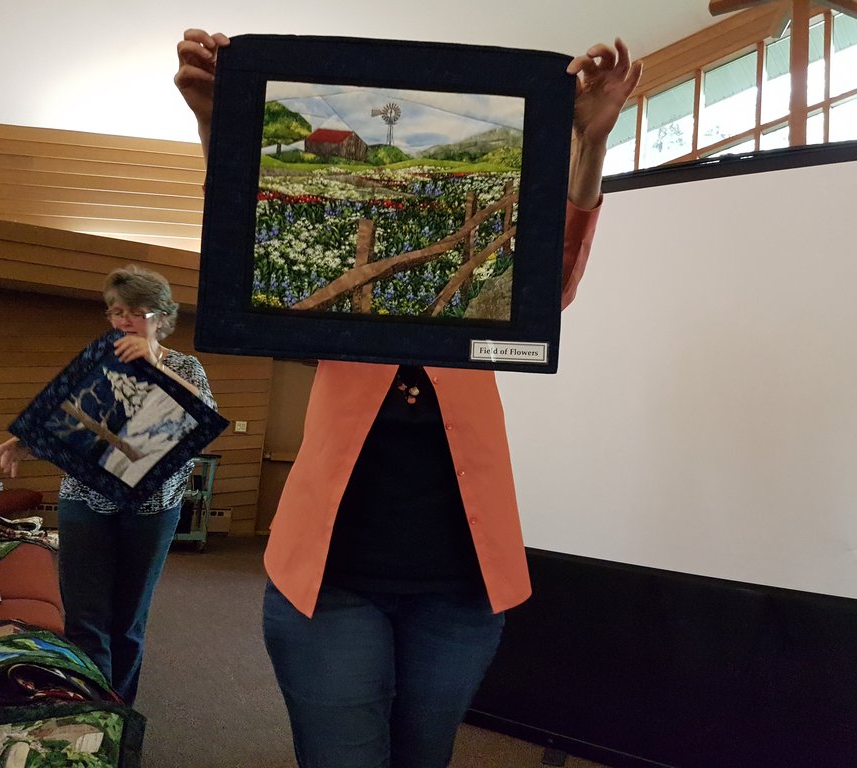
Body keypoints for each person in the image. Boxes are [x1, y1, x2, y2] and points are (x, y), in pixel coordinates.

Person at [176, 28, 641, 767]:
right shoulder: (339, 319)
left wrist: (588, 144)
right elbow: (249, 249)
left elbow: (549, 280)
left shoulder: (480, 309)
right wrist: (220, 122)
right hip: (328, 585)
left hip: (460, 591)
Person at [0, 265, 217, 706]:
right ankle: (92, 712)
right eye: (116, 312)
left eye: (136, 311)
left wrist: (154, 367)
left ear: (162, 317)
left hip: (152, 508)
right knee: (85, 619)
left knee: (127, 621)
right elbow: (70, 423)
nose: (124, 321)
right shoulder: (97, 362)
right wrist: (27, 442)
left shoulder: (185, 367)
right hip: (85, 501)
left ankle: (118, 712)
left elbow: (204, 423)